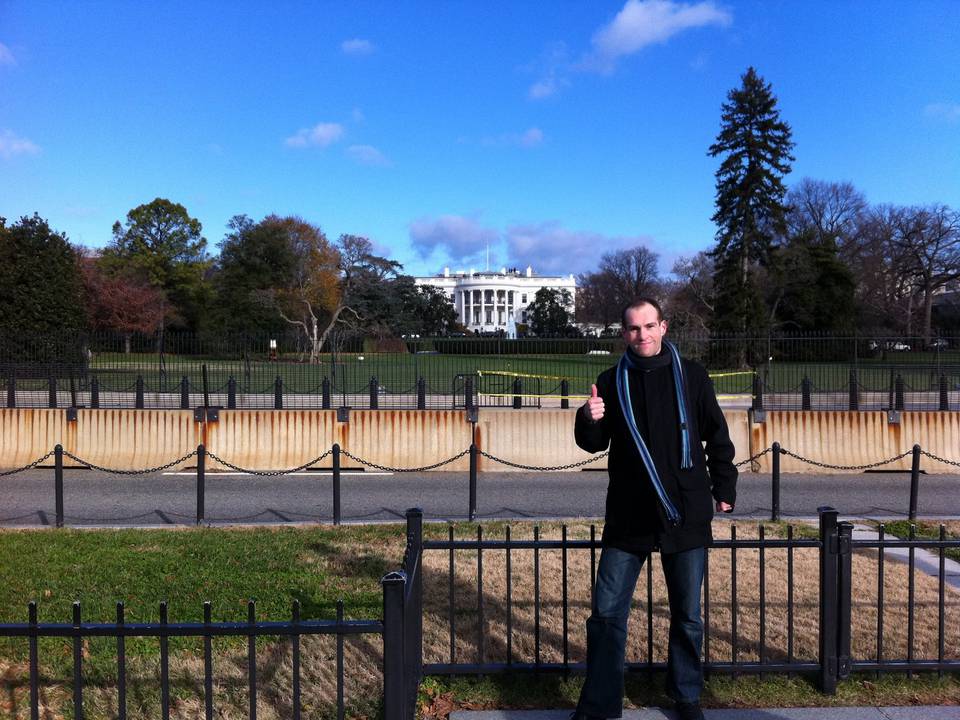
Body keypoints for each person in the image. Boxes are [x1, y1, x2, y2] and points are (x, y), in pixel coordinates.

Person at [572, 298, 737, 720]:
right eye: (632, 328)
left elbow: (716, 435)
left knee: (687, 615)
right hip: (629, 515)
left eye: (649, 326)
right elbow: (594, 443)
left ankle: (685, 695)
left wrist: (724, 485)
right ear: (623, 334)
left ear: (663, 327)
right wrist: (588, 418)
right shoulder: (611, 381)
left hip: (684, 510)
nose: (641, 335)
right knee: (607, 614)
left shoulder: (693, 377)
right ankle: (600, 704)